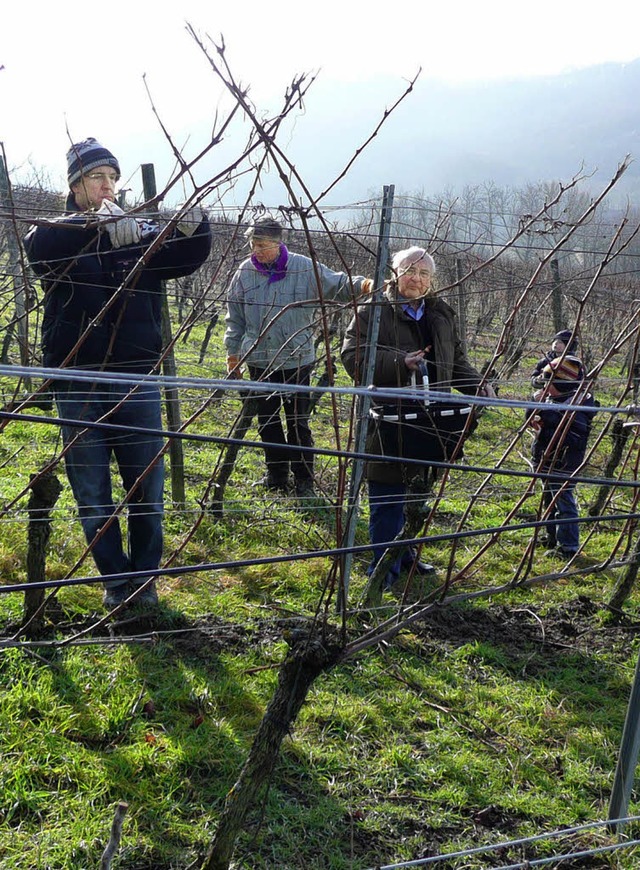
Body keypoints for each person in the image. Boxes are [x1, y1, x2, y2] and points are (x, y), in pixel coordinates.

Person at [25, 138, 212, 609]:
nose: (107, 185)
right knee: (93, 491)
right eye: (95, 177)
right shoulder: (56, 231)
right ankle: (115, 581)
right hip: (79, 379)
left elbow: (184, 258)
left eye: (112, 177)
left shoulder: (139, 231)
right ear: (74, 186)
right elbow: (38, 249)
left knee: (145, 487)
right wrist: (96, 229)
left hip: (137, 377)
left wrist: (197, 228)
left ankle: (144, 582)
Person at [341, 246, 496, 589]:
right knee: (386, 495)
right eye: (409, 270)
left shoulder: (441, 313)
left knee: (416, 491)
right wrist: (400, 363)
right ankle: (382, 574)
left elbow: (454, 361)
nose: (416, 279)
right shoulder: (373, 311)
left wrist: (478, 387)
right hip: (388, 419)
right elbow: (352, 356)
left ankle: (406, 553)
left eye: (424, 274)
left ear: (431, 280)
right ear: (393, 274)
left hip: (432, 419)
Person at [224, 215, 371, 498]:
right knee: (267, 422)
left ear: (279, 243)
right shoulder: (244, 272)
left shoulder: (304, 268)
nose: (257, 250)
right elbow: (235, 317)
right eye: (254, 244)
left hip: (297, 360)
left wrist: (364, 285)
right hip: (259, 360)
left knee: (297, 422)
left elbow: (337, 284)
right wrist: (233, 354)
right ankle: (276, 475)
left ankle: (304, 480)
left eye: (263, 244)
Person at [529, 354, 597, 558]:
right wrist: (536, 407)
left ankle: (568, 546)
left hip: (564, 463)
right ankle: (552, 536)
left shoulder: (577, 407)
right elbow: (531, 419)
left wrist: (546, 423)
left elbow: (572, 439)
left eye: (548, 383)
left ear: (561, 385)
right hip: (546, 458)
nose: (543, 387)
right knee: (549, 499)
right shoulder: (551, 398)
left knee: (564, 504)